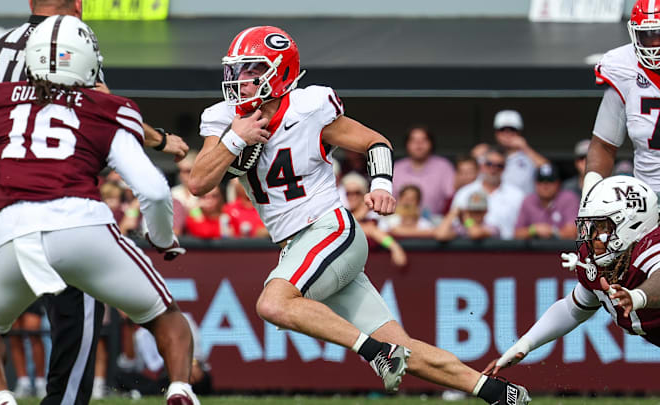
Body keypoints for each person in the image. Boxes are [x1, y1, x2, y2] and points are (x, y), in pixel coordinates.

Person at [188, 25, 530, 404]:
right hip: (298, 245)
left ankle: (374, 354)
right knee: (405, 349)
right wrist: (235, 137)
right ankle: (501, 394)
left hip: (329, 229)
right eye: (236, 70)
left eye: (252, 70)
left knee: (273, 303)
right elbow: (199, 182)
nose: (240, 81)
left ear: (280, 72)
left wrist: (381, 185)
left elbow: (375, 142)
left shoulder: (310, 107)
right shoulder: (223, 118)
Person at [0, 1, 189, 404]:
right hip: (79, 218)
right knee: (141, 314)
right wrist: (163, 234)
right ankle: (177, 385)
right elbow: (154, 188)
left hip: (4, 216)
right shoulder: (100, 93)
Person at [486, 175, 660, 376]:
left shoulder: (649, 246)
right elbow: (572, 309)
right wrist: (525, 343)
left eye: (603, 226)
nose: (594, 236)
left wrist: (637, 296)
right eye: (592, 227)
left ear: (632, 224)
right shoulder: (599, 260)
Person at [585, 0, 660, 200]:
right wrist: (590, 197)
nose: (654, 44)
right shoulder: (622, 66)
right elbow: (604, 145)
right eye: (647, 35)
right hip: (649, 200)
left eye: (659, 34)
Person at [451, 146, 525, 239]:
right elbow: (454, 223)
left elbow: (523, 228)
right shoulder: (465, 192)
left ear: (505, 168)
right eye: (489, 164)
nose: (493, 169)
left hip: (508, 249)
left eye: (499, 165)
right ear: (482, 166)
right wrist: (469, 223)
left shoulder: (517, 195)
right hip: (470, 248)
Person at [342, 173, 408, 267]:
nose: (352, 197)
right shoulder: (341, 212)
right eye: (348, 193)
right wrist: (358, 216)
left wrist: (394, 247)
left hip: (376, 263)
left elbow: (373, 230)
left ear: (364, 193)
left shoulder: (375, 212)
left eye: (356, 193)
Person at [392, 125, 455, 217]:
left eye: (424, 140)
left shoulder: (444, 167)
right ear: (407, 144)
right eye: (414, 140)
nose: (419, 144)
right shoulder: (397, 168)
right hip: (399, 222)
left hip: (436, 223)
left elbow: (452, 198)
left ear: (431, 143)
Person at [514, 164, 579, 240]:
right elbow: (517, 233)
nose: (545, 186)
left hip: (563, 249)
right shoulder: (528, 201)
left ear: (558, 183)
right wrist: (534, 230)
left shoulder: (568, 198)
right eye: (541, 181)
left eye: (550, 181)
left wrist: (552, 231)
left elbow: (573, 232)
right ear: (535, 184)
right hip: (536, 250)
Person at [493, 110, 549, 195]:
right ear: (496, 133)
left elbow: (548, 169)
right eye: (502, 129)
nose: (507, 133)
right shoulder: (488, 155)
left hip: (522, 206)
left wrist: (525, 148)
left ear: (519, 132)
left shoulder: (529, 156)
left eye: (512, 129)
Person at [9, 302, 46, 398]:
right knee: (14, 333)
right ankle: (23, 382)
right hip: (13, 292)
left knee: (33, 331)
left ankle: (41, 384)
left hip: (31, 290)